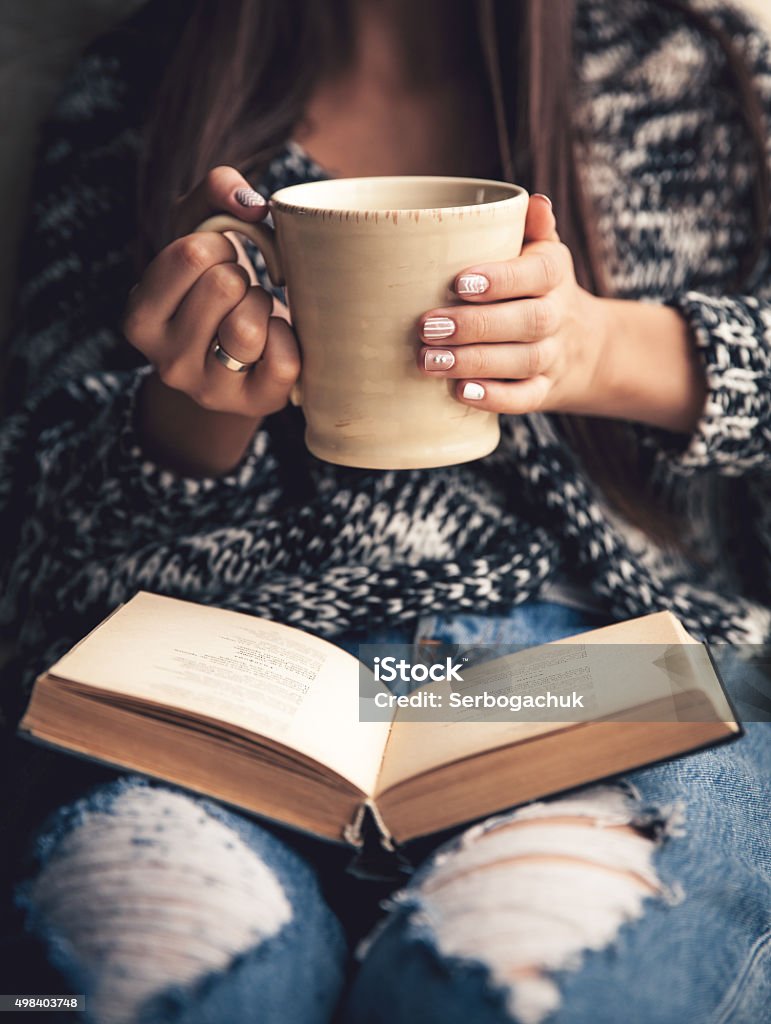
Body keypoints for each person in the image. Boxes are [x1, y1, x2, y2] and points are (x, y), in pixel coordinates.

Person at [1, 0, 770, 1021]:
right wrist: (190, 406)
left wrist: (594, 350)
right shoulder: (138, 90)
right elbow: (38, 565)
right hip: (242, 687)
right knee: (172, 967)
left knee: (510, 980)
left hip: (609, 670)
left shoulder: (689, 62)